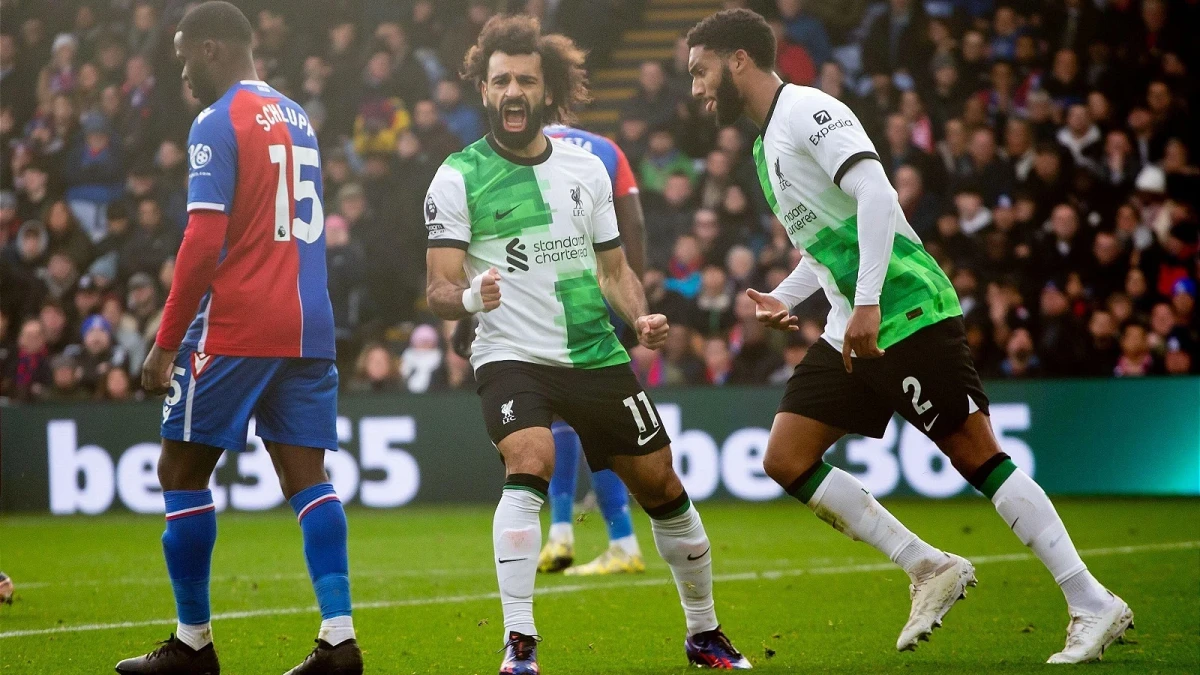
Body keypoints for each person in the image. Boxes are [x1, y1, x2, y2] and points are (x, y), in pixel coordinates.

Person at [686, 7, 1131, 665]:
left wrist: (868, 300)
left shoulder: (808, 109)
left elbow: (875, 193)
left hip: (904, 308)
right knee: (786, 456)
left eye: (701, 71)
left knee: (975, 453)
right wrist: (785, 296)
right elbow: (828, 241)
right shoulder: (761, 147)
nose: (696, 87)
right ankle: (927, 564)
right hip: (852, 324)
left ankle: (1091, 600)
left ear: (739, 60)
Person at [424, 15, 749, 672]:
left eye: (525, 80)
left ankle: (704, 632)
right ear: (484, 90)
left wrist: (641, 317)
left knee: (662, 483)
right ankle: (520, 643)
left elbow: (614, 269)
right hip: (512, 353)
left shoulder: (586, 167)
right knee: (531, 456)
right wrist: (470, 298)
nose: (513, 91)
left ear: (546, 89)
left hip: (594, 352)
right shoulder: (457, 177)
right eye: (501, 81)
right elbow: (437, 287)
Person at [115, 4, 361, 675]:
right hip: (309, 324)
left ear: (212, 48)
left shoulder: (216, 120)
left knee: (179, 471)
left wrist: (166, 341)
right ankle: (339, 639)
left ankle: (192, 643)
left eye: (183, 57)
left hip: (240, 322)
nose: (182, 72)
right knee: (307, 478)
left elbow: (203, 240)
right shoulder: (298, 116)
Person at [536, 121, 648, 577]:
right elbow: (634, 222)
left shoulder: (518, 147)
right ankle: (594, 537)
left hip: (548, 294)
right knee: (591, 418)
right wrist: (638, 308)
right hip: (602, 291)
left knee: (559, 415)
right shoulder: (605, 148)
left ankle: (575, 534)